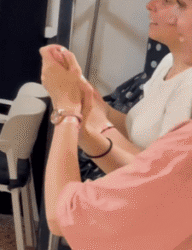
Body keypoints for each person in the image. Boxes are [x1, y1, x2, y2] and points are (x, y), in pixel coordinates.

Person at [41, 44, 192, 249]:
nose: (151, 9)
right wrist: (86, 132)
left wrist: (66, 110)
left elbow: (62, 215)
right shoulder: (167, 65)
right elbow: (150, 175)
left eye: (182, 9)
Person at [71, 0, 192, 176]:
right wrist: (92, 101)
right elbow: (134, 129)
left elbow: (152, 177)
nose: (150, 5)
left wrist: (87, 131)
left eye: (169, 1)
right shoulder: (167, 62)